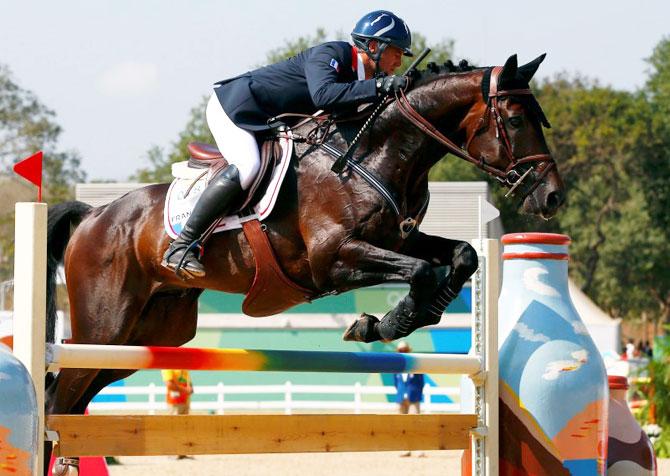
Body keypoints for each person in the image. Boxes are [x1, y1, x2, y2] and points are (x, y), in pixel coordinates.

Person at [162, 10, 414, 278]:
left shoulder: (361, 78)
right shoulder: (335, 53)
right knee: (248, 166)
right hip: (236, 107)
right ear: (373, 46)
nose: (399, 61)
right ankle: (182, 244)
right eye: (396, 51)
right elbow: (323, 95)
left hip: (269, 120)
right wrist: (380, 87)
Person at [161, 369, 194, 459]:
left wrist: (190, 388)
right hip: (174, 402)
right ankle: (173, 453)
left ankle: (182, 452)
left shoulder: (184, 368)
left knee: (184, 427)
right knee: (174, 427)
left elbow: (188, 382)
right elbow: (169, 384)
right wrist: (186, 390)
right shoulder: (168, 367)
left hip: (185, 401)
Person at [393, 341, 424, 415]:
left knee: (414, 422)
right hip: (400, 398)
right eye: (401, 350)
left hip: (413, 398)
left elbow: (421, 382)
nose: (403, 352)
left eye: (405, 350)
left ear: (408, 350)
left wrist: (416, 394)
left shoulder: (415, 363)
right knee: (398, 423)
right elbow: (396, 383)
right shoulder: (396, 366)